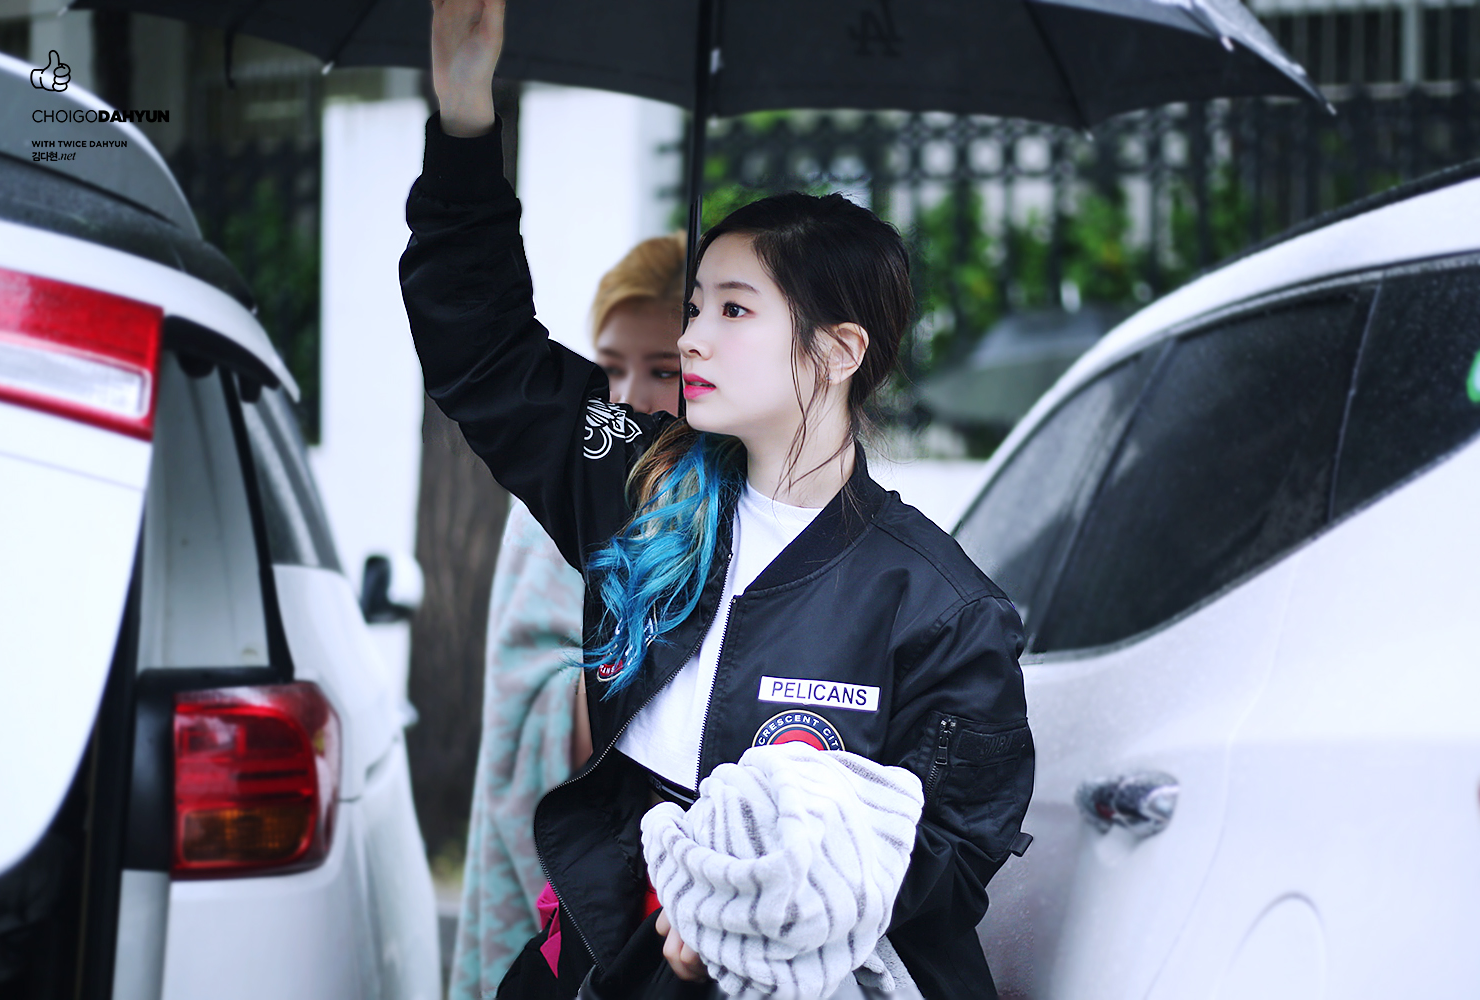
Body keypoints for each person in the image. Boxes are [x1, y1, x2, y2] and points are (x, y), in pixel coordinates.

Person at [404, 3, 1034, 997]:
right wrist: (465, 113)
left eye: (734, 309)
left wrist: (752, 916)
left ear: (837, 351)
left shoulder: (940, 609)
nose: (692, 337)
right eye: (696, 305)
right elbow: (480, 350)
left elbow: (953, 854)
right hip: (616, 945)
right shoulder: (644, 487)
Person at [448, 233, 687, 1000]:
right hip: (569, 875)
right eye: (610, 367)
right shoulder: (562, 506)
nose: (629, 396)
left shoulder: (743, 506)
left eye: (663, 370)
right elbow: (524, 697)